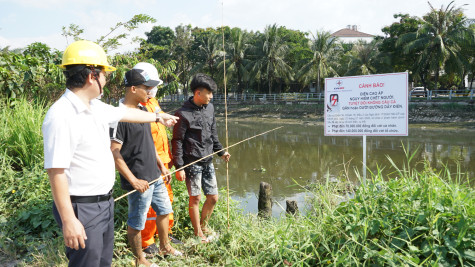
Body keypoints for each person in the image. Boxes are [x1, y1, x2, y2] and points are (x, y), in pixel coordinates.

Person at [42, 40, 178, 267]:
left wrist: (158, 117)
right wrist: (69, 220)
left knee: (102, 261)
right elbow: (56, 172)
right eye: (104, 74)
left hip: (104, 202)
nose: (106, 79)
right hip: (82, 207)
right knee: (87, 262)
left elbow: (125, 114)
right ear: (91, 76)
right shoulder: (61, 115)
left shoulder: (94, 106)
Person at [110, 68, 183, 267]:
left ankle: (164, 246)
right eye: (146, 88)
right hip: (140, 180)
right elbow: (114, 152)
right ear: (133, 89)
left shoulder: (143, 112)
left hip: (155, 175)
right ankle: (140, 260)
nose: (149, 92)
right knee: (136, 223)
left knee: (164, 211)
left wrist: (162, 166)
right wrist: (133, 180)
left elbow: (149, 141)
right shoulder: (119, 117)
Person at [131, 63, 183, 257]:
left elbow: (158, 121)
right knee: (150, 205)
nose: (152, 89)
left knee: (166, 201)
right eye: (149, 86)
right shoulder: (137, 107)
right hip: (149, 162)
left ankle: (166, 236)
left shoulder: (153, 102)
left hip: (164, 159)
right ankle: (147, 241)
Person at [171, 73, 231, 243]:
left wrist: (221, 152)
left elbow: (213, 133)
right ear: (198, 93)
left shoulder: (210, 109)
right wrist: (179, 167)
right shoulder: (182, 114)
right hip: (192, 163)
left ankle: (204, 227)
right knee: (195, 198)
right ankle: (198, 234)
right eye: (209, 93)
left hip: (208, 160)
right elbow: (177, 141)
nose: (211, 96)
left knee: (213, 197)